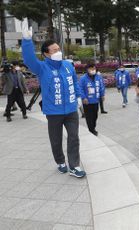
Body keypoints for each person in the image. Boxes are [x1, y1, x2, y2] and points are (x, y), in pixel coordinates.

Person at [21, 19, 86, 178]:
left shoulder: (68, 65)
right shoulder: (42, 68)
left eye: (59, 48)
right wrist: (27, 40)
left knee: (74, 138)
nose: (59, 51)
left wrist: (78, 98)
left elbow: (75, 83)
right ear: (46, 54)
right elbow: (29, 60)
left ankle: (74, 166)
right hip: (54, 112)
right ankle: (60, 161)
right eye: (54, 50)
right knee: (56, 140)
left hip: (70, 109)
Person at [79, 63, 105, 136]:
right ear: (87, 70)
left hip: (96, 100)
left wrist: (102, 94)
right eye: (91, 69)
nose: (93, 70)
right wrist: (83, 97)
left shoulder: (98, 77)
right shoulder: (83, 78)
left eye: (94, 68)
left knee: (95, 116)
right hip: (87, 101)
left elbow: (101, 86)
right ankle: (91, 129)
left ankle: (93, 127)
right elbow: (80, 88)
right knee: (89, 116)